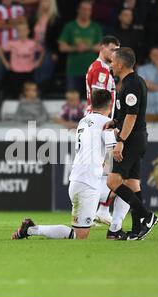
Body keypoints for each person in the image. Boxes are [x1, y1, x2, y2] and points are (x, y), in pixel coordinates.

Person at [11, 89, 117, 240]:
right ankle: (31, 229)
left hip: (80, 179)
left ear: (91, 104)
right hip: (88, 182)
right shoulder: (105, 123)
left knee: (121, 189)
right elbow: (113, 150)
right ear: (111, 104)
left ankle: (113, 224)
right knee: (80, 235)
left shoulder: (84, 120)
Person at [105, 47, 158, 241]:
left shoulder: (133, 83)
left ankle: (147, 215)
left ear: (120, 64)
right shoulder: (128, 83)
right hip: (136, 137)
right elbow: (125, 114)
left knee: (112, 181)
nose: (111, 65)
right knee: (132, 184)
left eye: (112, 61)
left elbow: (132, 115)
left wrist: (121, 142)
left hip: (132, 139)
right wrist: (114, 122)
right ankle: (137, 230)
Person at [85, 35, 120, 225]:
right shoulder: (100, 70)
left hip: (97, 122)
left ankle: (98, 210)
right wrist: (110, 123)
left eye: (117, 50)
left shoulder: (102, 68)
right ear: (102, 48)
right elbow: (100, 99)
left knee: (102, 169)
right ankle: (102, 209)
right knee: (111, 168)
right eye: (112, 49)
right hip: (101, 123)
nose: (115, 53)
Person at [58, 0, 103, 97]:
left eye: (89, 10)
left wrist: (87, 47)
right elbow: (62, 47)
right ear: (78, 10)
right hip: (73, 70)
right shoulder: (70, 26)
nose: (86, 12)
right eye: (84, 9)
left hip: (92, 71)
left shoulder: (96, 27)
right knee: (72, 99)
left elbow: (101, 47)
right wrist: (76, 48)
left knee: (92, 100)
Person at [0, 0, 25, 100]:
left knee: (16, 76)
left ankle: (13, 97)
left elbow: (24, 22)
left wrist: (4, 21)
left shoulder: (19, 8)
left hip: (17, 50)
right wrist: (15, 23)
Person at [0, 21, 44, 98]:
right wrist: (5, 62)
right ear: (17, 32)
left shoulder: (33, 43)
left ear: (28, 31)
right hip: (16, 72)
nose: (22, 32)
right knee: (17, 94)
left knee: (29, 93)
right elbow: (0, 49)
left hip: (29, 71)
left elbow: (42, 50)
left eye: (24, 30)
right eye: (19, 30)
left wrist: (39, 61)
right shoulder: (12, 43)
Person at [31, 0, 63, 90]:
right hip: (34, 48)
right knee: (35, 70)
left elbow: (57, 37)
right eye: (43, 1)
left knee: (44, 69)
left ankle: (41, 90)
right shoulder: (35, 17)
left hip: (48, 48)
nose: (45, 3)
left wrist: (55, 52)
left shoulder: (56, 19)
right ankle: (34, 91)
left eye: (47, 1)